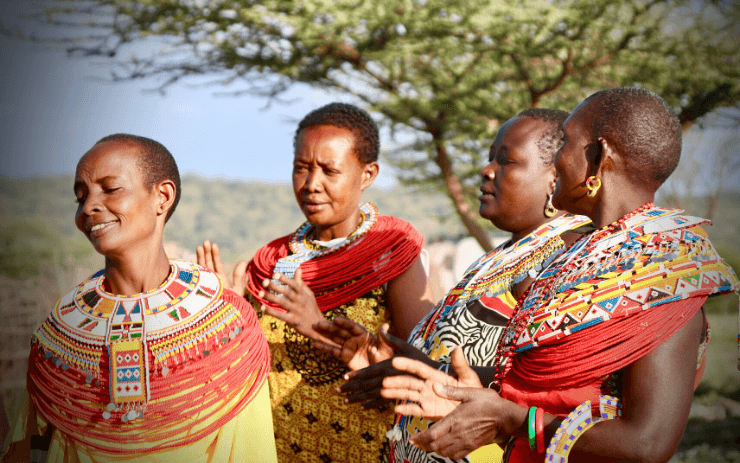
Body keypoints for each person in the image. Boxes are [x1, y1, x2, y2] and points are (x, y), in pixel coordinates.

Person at [381, 88, 739, 462]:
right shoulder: (573, 261)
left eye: (566, 143)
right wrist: (471, 399)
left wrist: (512, 418)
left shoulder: (663, 276)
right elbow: (541, 409)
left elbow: (647, 444)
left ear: (599, 157)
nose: (557, 160)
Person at [314, 108, 592, 463]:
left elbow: (556, 391)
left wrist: (433, 374)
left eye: (506, 161)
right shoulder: (503, 255)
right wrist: (401, 362)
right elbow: (455, 366)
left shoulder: (567, 258)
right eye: (491, 156)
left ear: (555, 176)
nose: (486, 170)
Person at [1, 134, 275, 463]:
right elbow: (26, 450)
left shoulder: (227, 328)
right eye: (80, 196)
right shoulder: (58, 335)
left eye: (110, 188)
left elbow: (249, 451)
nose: (88, 206)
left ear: (162, 196)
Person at [197, 102, 436, 462]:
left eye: (329, 170)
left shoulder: (391, 254)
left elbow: (424, 373)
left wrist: (318, 326)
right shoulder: (269, 263)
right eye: (301, 169)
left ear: (367, 174)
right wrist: (230, 318)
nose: (311, 185)